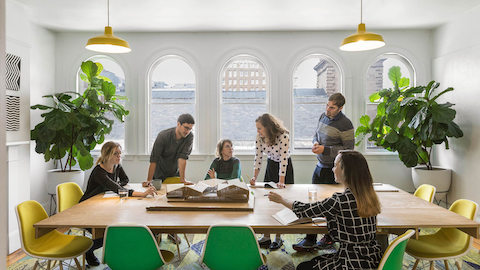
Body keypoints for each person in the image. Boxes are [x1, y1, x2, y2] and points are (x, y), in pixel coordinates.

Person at [268, 150, 382, 270]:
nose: (333, 169)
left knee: (303, 267)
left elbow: (305, 210)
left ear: (345, 170)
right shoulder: (369, 196)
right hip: (372, 258)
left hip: (349, 262)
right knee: (314, 260)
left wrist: (281, 200)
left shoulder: (340, 200)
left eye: (335, 165)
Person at [293, 93, 354, 252]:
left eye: (332, 107)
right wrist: (315, 143)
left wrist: (325, 149)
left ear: (340, 108)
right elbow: (316, 134)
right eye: (327, 105)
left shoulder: (346, 124)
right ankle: (310, 239)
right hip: (320, 166)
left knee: (331, 207)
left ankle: (329, 238)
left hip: (334, 171)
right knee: (313, 202)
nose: (328, 109)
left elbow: (348, 150)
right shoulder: (323, 116)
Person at [80, 141, 157, 266]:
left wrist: (113, 186)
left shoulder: (117, 166)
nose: (119, 156)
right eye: (116, 153)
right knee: (111, 232)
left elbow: (125, 180)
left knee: (120, 225)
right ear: (107, 155)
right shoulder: (99, 172)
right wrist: (142, 194)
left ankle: (130, 248)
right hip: (88, 208)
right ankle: (89, 250)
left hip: (104, 204)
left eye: (120, 153)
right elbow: (120, 190)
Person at [250, 113, 294, 250]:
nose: (258, 131)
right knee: (266, 202)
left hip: (284, 168)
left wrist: (281, 182)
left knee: (280, 203)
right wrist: (254, 178)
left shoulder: (283, 137)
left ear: (268, 127)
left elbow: (283, 160)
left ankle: (279, 238)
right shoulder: (259, 138)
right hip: (271, 165)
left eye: (259, 128)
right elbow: (258, 158)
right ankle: (266, 237)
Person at [144, 113, 195, 186]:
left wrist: (182, 180)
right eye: (186, 128)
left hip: (174, 174)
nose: (187, 131)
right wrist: (149, 180)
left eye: (190, 129)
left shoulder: (189, 137)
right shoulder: (163, 136)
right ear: (178, 124)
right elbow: (154, 160)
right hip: (159, 175)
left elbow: (182, 158)